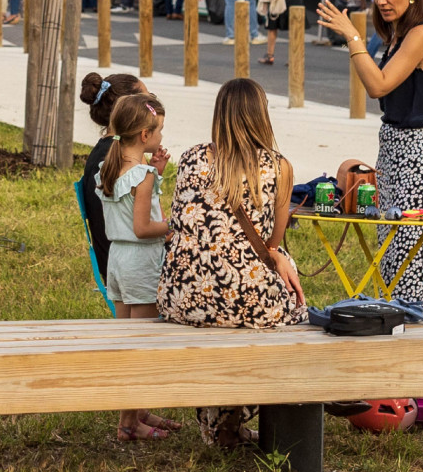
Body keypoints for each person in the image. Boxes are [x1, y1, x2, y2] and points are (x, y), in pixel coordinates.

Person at [158, 78, 308, 447]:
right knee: (296, 311)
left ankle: (221, 426)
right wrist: (280, 257)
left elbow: (182, 222)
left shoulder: (192, 157)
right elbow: (272, 242)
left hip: (183, 299)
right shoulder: (278, 166)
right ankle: (236, 424)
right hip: (248, 302)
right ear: (261, 115)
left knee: (225, 317)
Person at [315, 0, 423, 323]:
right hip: (393, 146)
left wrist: (353, 36)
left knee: (410, 253)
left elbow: (378, 85)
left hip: (420, 150)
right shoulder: (397, 36)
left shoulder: (422, 34)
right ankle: (401, 329)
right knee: (389, 253)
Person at [93, 93, 178, 442]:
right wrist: (178, 223)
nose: (160, 138)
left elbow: (128, 214)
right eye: (157, 131)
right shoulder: (140, 174)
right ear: (144, 135)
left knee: (125, 342)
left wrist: (156, 173)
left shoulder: (108, 167)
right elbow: (144, 228)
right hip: (141, 263)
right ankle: (128, 424)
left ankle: (138, 411)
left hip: (118, 260)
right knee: (139, 348)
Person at [77, 72, 149, 279]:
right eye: (148, 99)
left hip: (112, 262)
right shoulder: (124, 158)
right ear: (130, 110)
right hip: (131, 267)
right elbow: (142, 225)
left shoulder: (105, 151)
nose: (153, 107)